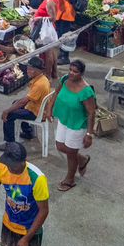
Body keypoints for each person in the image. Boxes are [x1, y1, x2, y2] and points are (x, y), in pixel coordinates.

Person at [52, 59, 97, 190]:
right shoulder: (65, 79)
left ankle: (70, 179)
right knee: (60, 146)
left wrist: (89, 134)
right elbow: (56, 92)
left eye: (75, 72)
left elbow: (91, 113)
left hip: (77, 125)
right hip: (64, 119)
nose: (71, 73)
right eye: (70, 70)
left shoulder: (86, 91)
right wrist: (49, 109)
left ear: (81, 73)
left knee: (71, 153)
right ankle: (82, 160)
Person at [2, 59, 51, 144]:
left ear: (37, 70)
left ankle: (10, 144)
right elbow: (25, 100)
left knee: (9, 115)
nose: (28, 71)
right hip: (37, 107)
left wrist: (7, 111)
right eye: (28, 69)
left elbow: (24, 102)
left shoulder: (39, 85)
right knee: (15, 103)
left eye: (30, 69)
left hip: (35, 112)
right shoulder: (42, 78)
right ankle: (28, 132)